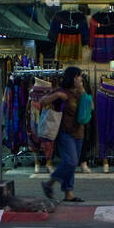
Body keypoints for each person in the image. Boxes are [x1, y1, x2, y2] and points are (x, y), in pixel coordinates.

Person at [39, 66, 85, 202]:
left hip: (79, 132)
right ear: (72, 78)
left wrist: (81, 89)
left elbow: (91, 107)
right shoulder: (61, 91)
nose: (80, 78)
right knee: (71, 162)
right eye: (78, 76)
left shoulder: (80, 92)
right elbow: (42, 102)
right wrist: (57, 96)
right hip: (65, 132)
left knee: (71, 162)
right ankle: (49, 183)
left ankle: (68, 193)